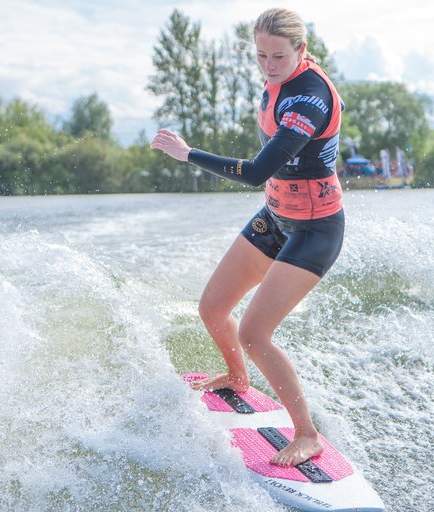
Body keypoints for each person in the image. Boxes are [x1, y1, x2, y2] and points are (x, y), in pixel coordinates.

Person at [150, 7, 344, 468]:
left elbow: (257, 170)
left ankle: (307, 434)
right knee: (213, 307)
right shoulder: (276, 80)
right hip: (276, 217)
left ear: (302, 49)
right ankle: (238, 379)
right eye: (260, 56)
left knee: (256, 333)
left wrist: (187, 153)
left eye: (279, 56)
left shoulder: (310, 99)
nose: (269, 65)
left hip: (316, 228)